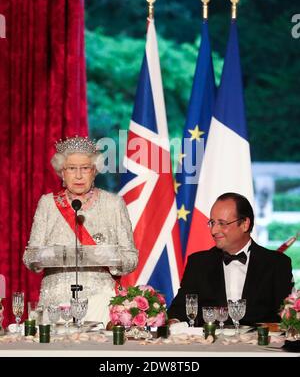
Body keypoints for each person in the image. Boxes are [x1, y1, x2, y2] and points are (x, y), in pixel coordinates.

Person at [23, 136, 138, 325]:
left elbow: (131, 259)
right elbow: (29, 257)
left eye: (85, 168)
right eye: (71, 168)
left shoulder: (114, 204)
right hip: (55, 302)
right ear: (62, 172)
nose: (78, 175)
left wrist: (109, 257)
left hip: (100, 301)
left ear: (94, 171)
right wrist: (47, 256)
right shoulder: (48, 204)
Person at [168, 192, 293, 326]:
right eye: (212, 222)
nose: (214, 231)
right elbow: (179, 310)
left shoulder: (277, 264)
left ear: (245, 224)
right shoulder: (198, 263)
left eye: (222, 223)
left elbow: (287, 317)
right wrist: (173, 322)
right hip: (209, 344)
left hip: (259, 346)